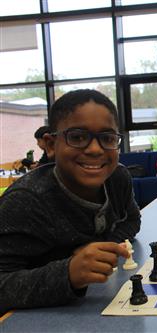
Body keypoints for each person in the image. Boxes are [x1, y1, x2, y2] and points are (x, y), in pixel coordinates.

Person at [0, 89, 141, 312]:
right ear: (50, 145)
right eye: (77, 137)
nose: (95, 149)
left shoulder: (117, 178)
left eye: (107, 138)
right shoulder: (26, 201)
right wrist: (67, 272)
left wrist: (103, 249)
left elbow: (132, 221)